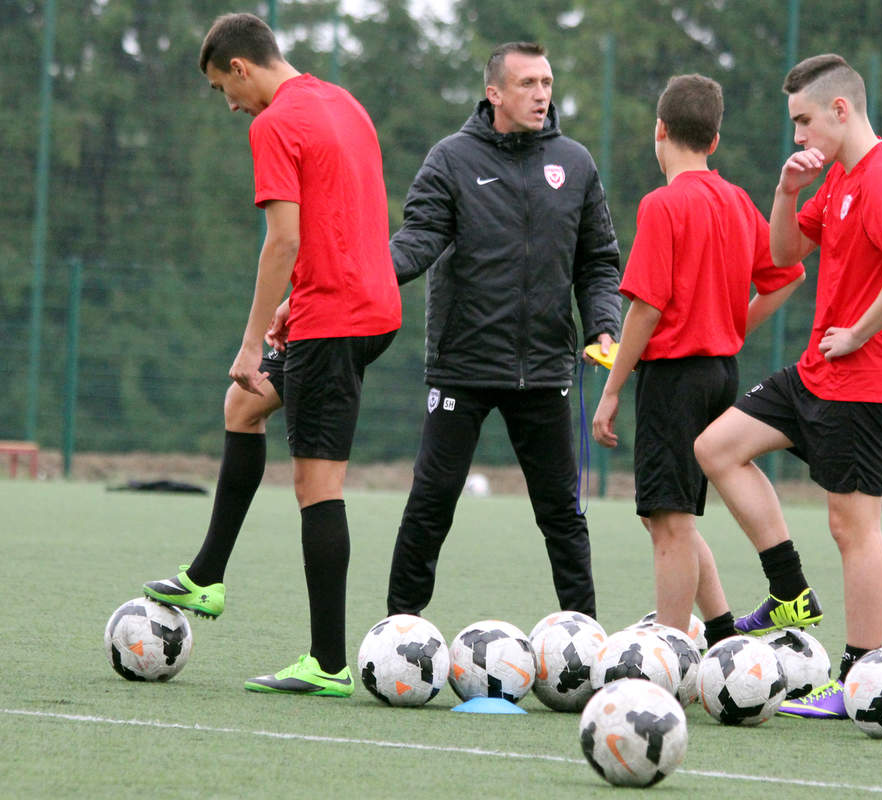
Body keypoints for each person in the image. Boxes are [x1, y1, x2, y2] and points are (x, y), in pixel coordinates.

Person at [143, 12, 402, 697]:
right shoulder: (342, 102)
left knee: (317, 485)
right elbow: (353, 212)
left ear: (240, 67)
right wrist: (301, 298)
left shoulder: (274, 123)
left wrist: (252, 337)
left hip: (336, 319)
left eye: (221, 88)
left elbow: (282, 239)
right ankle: (206, 577)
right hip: (366, 304)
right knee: (245, 405)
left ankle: (326, 663)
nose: (228, 105)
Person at [694, 53, 882, 719]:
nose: (798, 136)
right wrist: (787, 192)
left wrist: (858, 331)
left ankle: (860, 680)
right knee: (716, 449)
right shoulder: (840, 179)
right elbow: (781, 256)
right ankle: (790, 592)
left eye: (803, 122)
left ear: (841, 109)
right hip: (815, 373)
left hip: (866, 376)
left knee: (853, 526)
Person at [385, 42, 621, 621]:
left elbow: (599, 262)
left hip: (544, 369)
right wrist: (360, 278)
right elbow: (417, 242)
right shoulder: (451, 159)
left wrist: (605, 327)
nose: (541, 94)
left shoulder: (576, 162)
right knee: (431, 504)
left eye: (546, 81)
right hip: (462, 366)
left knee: (562, 514)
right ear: (495, 93)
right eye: (527, 84)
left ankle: (583, 637)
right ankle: (397, 630)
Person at [591, 74, 805, 645]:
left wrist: (612, 388)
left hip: (675, 378)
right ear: (714, 140)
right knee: (670, 516)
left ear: (659, 130)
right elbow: (786, 276)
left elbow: (644, 310)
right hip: (720, 373)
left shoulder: (662, 204)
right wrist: (735, 324)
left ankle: (668, 652)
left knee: (666, 522)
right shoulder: (736, 199)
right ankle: (719, 633)